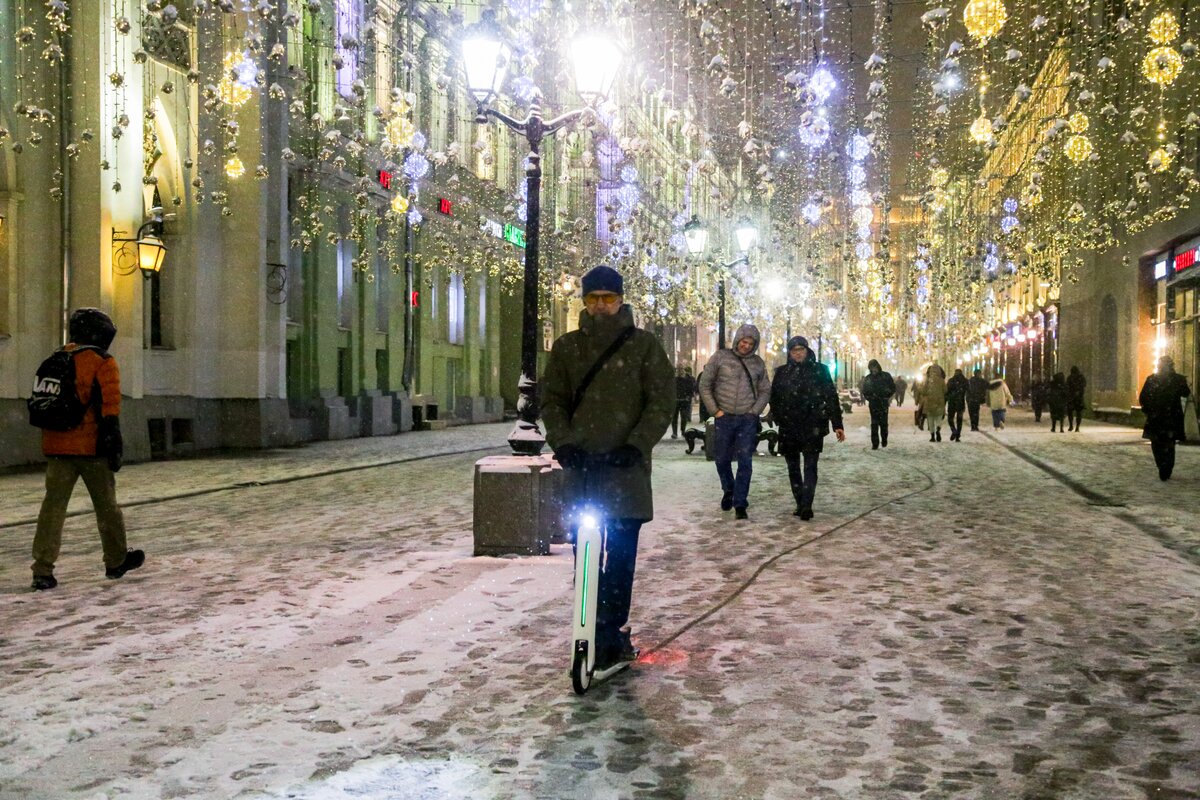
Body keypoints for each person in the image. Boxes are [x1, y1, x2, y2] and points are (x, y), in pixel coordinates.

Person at [542, 265, 675, 670]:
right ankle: (593, 629)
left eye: (608, 298)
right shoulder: (566, 348)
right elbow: (553, 401)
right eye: (593, 298)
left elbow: (660, 402)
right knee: (585, 554)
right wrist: (563, 443)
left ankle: (610, 631)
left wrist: (635, 446)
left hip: (624, 472)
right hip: (582, 469)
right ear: (584, 301)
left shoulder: (644, 346)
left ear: (621, 300)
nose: (601, 305)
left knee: (619, 558)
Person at [30, 308, 144, 591]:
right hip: (91, 448)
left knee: (53, 509)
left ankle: (42, 569)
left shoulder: (56, 358)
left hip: (57, 446)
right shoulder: (102, 362)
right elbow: (110, 409)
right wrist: (114, 447)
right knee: (107, 507)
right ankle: (116, 560)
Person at [699, 324, 771, 520]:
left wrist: (754, 412)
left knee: (745, 461)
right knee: (721, 459)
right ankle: (728, 488)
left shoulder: (757, 364)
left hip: (747, 419)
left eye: (750, 343)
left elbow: (765, 390)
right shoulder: (721, 358)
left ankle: (740, 502)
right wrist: (716, 411)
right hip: (725, 418)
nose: (746, 346)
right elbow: (705, 384)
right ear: (737, 340)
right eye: (744, 341)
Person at [769, 336, 845, 520]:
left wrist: (837, 425)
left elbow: (831, 397)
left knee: (810, 466)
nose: (797, 353)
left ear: (807, 350)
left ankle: (806, 505)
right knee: (793, 467)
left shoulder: (820, 370)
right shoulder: (782, 372)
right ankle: (800, 502)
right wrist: (777, 416)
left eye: (800, 350)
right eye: (794, 350)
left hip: (813, 425)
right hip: (789, 426)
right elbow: (775, 398)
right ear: (790, 353)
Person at [1138, 356, 1192, 481]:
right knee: (1169, 443)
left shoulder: (1152, 379)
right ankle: (1167, 467)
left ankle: (1162, 466)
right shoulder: (1178, 380)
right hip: (1172, 417)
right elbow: (1186, 393)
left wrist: (1148, 410)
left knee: (1156, 444)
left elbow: (1143, 398)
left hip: (1156, 417)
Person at [861, 359, 896, 449]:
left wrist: (887, 396)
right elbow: (864, 391)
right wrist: (870, 398)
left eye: (875, 367)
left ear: (878, 367)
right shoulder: (868, 378)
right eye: (872, 368)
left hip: (883, 403)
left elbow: (892, 387)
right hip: (873, 404)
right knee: (874, 424)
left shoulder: (885, 376)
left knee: (884, 423)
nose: (874, 369)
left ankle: (884, 439)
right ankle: (875, 443)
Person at [921, 363, 947, 442]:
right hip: (939, 402)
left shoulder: (928, 380)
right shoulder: (942, 380)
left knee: (930, 419)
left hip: (929, 402)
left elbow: (923, 391)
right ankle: (938, 429)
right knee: (938, 418)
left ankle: (932, 436)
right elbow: (945, 390)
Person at [671, 366, 696, 439]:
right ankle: (674, 432)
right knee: (674, 418)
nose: (679, 371)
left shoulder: (688, 379)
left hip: (684, 401)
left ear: (683, 370)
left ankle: (683, 431)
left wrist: (689, 396)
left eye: (680, 369)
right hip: (675, 401)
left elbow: (691, 388)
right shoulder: (673, 379)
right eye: (678, 370)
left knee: (684, 417)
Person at [945, 367, 969, 441]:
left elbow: (947, 392)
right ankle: (958, 435)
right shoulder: (965, 381)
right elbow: (968, 391)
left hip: (952, 402)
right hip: (960, 403)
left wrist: (945, 400)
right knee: (959, 420)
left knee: (950, 418)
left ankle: (954, 430)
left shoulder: (951, 381)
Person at [1066, 366, 1087, 431]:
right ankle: (1077, 427)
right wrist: (1079, 391)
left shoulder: (1069, 377)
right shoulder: (1081, 377)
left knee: (1070, 413)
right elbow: (1084, 385)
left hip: (1071, 398)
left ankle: (1071, 425)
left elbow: (1067, 386)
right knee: (1078, 413)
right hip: (1079, 398)